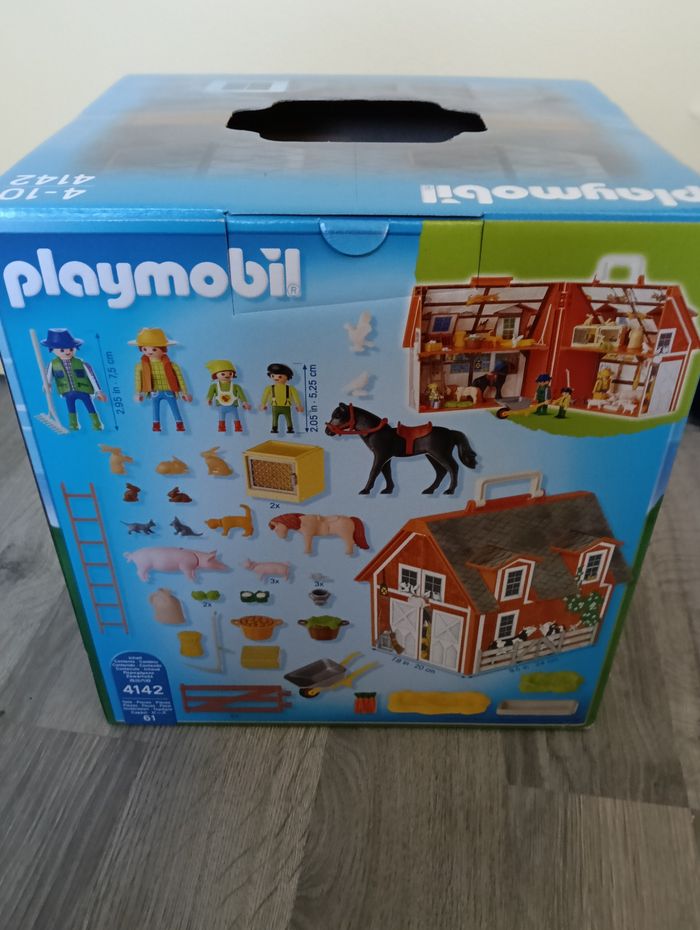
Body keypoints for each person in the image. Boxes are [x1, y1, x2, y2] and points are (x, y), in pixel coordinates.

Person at [41, 328, 106, 431]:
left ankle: (97, 423)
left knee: (90, 406)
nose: (67, 352)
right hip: (67, 391)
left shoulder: (81, 363)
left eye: (71, 349)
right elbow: (47, 378)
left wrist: (98, 391)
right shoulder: (53, 364)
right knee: (71, 408)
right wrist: (47, 385)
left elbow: (91, 377)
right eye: (62, 350)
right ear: (52, 349)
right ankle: (73, 424)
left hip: (84, 390)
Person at [131, 328, 191, 432]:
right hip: (154, 391)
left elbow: (180, 379)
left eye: (154, 349)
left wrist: (185, 393)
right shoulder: (140, 366)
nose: (149, 352)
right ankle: (156, 425)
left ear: (163, 349)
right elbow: (138, 380)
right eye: (145, 349)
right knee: (155, 410)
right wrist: (138, 393)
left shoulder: (172, 365)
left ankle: (179, 424)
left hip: (169, 390)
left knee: (175, 408)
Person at [205, 359, 251, 433]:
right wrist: (209, 399)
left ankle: (238, 427)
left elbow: (241, 395)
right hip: (221, 406)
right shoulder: (214, 386)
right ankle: (221, 428)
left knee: (236, 417)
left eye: (230, 373)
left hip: (233, 406)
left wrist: (245, 402)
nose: (227, 375)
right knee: (221, 418)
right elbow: (210, 394)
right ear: (215, 375)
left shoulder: (236, 386)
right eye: (223, 374)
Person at [260, 363, 303, 434]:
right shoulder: (269, 388)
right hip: (275, 406)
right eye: (273, 376)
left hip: (286, 406)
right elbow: (265, 396)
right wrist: (263, 404)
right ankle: (274, 428)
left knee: (288, 418)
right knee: (274, 418)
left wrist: (298, 405)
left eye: (280, 376)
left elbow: (296, 397)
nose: (276, 378)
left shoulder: (290, 388)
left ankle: (290, 428)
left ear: (287, 377)